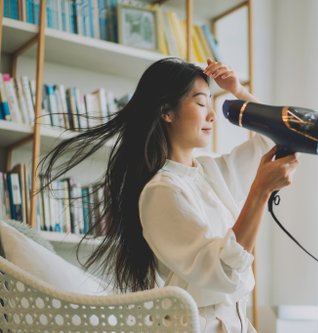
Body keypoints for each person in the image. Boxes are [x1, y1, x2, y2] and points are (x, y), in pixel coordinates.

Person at [39, 57, 300, 333]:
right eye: (201, 103)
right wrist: (260, 191)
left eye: (211, 103)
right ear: (167, 112)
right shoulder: (162, 192)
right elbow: (224, 272)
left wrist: (238, 90)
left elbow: (277, 136)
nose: (212, 115)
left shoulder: (211, 172)